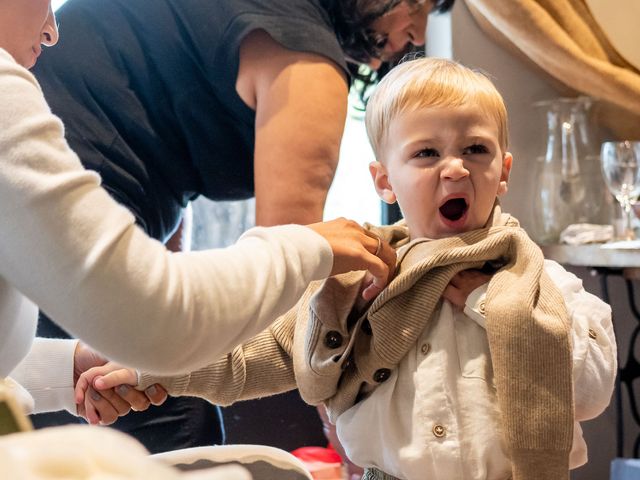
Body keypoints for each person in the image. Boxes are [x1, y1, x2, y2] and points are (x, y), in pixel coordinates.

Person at [81, 57, 617, 480]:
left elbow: (592, 392)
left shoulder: (544, 284)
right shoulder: (359, 285)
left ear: (501, 172)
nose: (454, 167)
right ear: (385, 181)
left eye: (474, 149)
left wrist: (491, 307)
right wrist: (151, 366)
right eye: (426, 153)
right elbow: (250, 354)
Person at [29, 0, 456, 454]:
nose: (418, 32)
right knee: (173, 414)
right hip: (49, 203)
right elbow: (293, 269)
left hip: (43, 200)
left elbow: (162, 161)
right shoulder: (306, 63)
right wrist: (338, 422)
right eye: (417, 2)